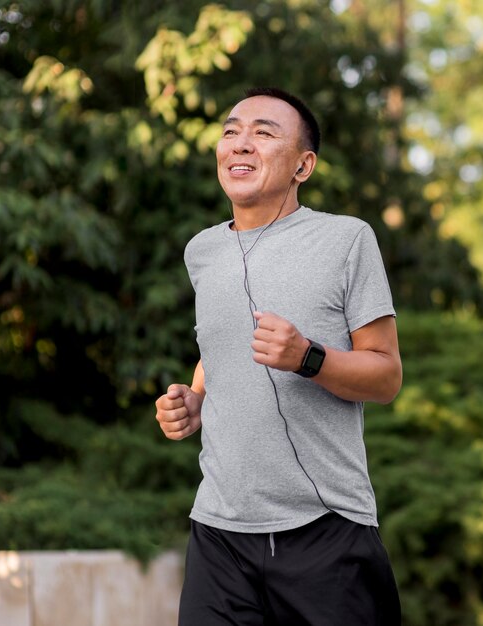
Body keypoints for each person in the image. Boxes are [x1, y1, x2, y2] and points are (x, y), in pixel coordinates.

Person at [155, 86, 403, 626]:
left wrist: (308, 358)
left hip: (326, 530)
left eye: (264, 133)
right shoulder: (202, 251)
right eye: (230, 131)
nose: (241, 143)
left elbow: (385, 375)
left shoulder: (346, 240)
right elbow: (218, 346)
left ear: (303, 166)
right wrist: (196, 398)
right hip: (218, 532)